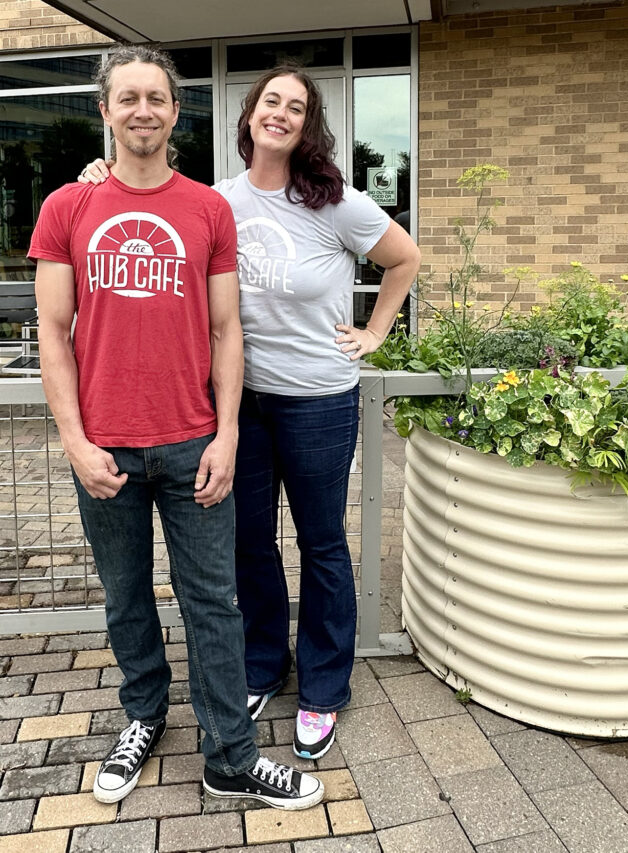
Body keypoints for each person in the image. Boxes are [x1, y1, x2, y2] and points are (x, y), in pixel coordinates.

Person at [80, 62, 421, 761]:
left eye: (296, 107)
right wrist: (96, 177)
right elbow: (148, 201)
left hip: (319, 400)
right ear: (249, 115)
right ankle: (264, 663)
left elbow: (404, 258)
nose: (281, 114)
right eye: (271, 101)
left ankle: (325, 684)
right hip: (239, 401)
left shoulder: (336, 202)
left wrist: (377, 331)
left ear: (307, 125)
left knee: (322, 542)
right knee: (248, 543)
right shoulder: (218, 199)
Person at [30, 45, 323, 811]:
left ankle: (230, 755)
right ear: (105, 110)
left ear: (174, 110)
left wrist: (227, 433)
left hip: (194, 441)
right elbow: (51, 331)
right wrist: (74, 441)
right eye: (126, 98)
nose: (143, 111)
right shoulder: (67, 208)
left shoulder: (206, 209)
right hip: (105, 448)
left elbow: (228, 332)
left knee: (214, 604)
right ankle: (143, 716)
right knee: (126, 597)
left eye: (156, 97)